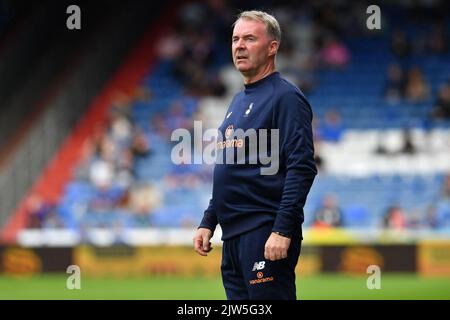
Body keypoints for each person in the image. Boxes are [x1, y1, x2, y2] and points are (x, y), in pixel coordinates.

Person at [193, 11, 317, 300]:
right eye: (235, 39)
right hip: (233, 237)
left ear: (272, 47)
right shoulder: (238, 100)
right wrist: (209, 221)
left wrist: (283, 229)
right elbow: (231, 167)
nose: (239, 46)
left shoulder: (285, 97)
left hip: (264, 231)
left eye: (249, 38)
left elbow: (302, 167)